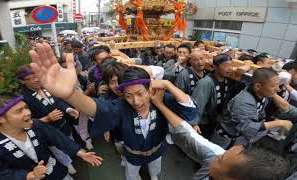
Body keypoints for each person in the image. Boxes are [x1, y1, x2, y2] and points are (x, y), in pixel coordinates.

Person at [29, 42, 198, 180]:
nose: (136, 102)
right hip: (132, 155)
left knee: (155, 171)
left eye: (140, 93)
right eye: (129, 95)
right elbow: (98, 109)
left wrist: (168, 85)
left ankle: (154, 176)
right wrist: (71, 95)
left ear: (150, 87)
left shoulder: (161, 99)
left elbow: (189, 111)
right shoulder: (120, 105)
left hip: (157, 151)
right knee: (132, 175)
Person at [148, 89, 291, 180]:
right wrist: (160, 104)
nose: (217, 156)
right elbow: (189, 134)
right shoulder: (217, 155)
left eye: (221, 159)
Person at [0, 94, 102, 180]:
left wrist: (79, 152)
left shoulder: (35, 124)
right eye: (19, 111)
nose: (28, 112)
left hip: (56, 171)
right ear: (0, 119)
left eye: (26, 107)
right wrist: (29, 175)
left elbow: (56, 137)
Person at [212, 68, 293, 149]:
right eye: (273, 86)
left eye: (278, 85)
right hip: (226, 139)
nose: (278, 89)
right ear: (258, 86)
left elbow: (260, 113)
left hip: (240, 138)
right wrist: (279, 123)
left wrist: (263, 119)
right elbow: (246, 127)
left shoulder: (263, 96)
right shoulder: (244, 101)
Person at [191, 54, 235, 139]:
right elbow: (196, 103)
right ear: (215, 67)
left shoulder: (227, 80)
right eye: (226, 65)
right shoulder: (205, 83)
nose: (230, 68)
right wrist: (194, 123)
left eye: (231, 65)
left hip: (214, 119)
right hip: (202, 122)